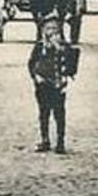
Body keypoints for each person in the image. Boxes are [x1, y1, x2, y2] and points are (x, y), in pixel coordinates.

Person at [28, 15, 77, 153]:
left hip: (58, 84)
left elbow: (71, 64)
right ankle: (45, 140)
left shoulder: (63, 46)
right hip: (43, 83)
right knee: (44, 112)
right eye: (48, 28)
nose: (51, 32)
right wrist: (36, 77)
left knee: (59, 113)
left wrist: (60, 49)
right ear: (43, 30)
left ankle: (60, 142)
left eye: (54, 28)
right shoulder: (39, 46)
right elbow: (32, 63)